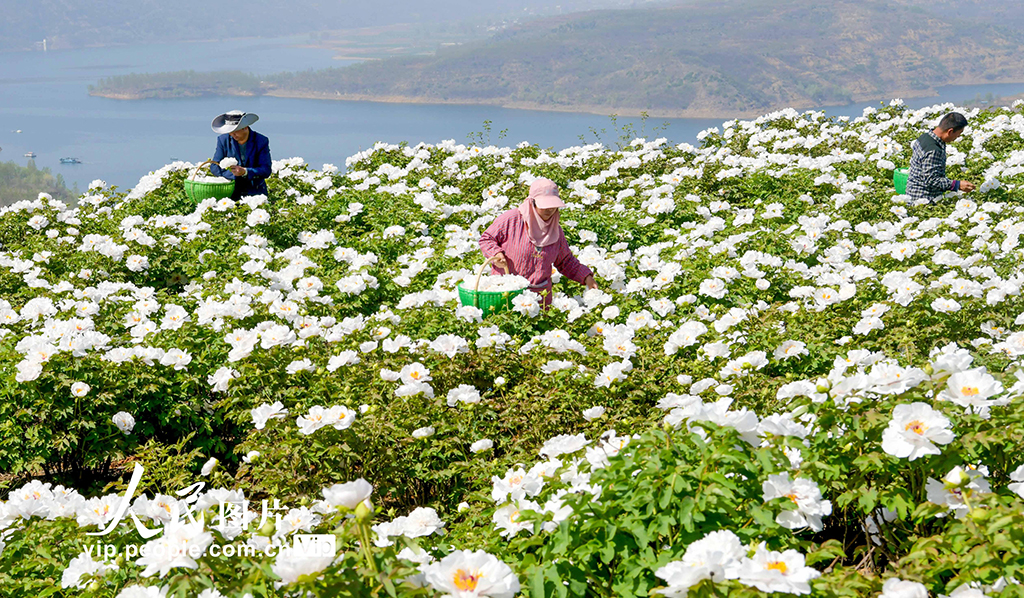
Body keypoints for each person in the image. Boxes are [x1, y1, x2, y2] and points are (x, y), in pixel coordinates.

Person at [479, 178, 598, 305]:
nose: (550, 210)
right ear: (532, 202)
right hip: (506, 295)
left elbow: (565, 261)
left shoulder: (554, 230)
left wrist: (586, 277)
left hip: (539, 300)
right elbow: (487, 239)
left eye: (553, 206)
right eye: (545, 205)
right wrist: (496, 253)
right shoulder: (511, 220)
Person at [906, 112, 975, 204]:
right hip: (924, 200)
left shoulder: (925, 137)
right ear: (950, 131)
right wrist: (957, 185)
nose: (958, 137)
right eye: (959, 133)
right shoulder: (933, 150)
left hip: (912, 193)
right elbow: (932, 180)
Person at [208, 110, 272, 199]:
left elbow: (266, 170)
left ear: (245, 127)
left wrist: (245, 172)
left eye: (235, 131)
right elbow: (214, 166)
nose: (232, 134)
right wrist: (234, 175)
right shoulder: (223, 140)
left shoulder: (261, 141)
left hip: (255, 193)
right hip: (230, 193)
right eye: (229, 131)